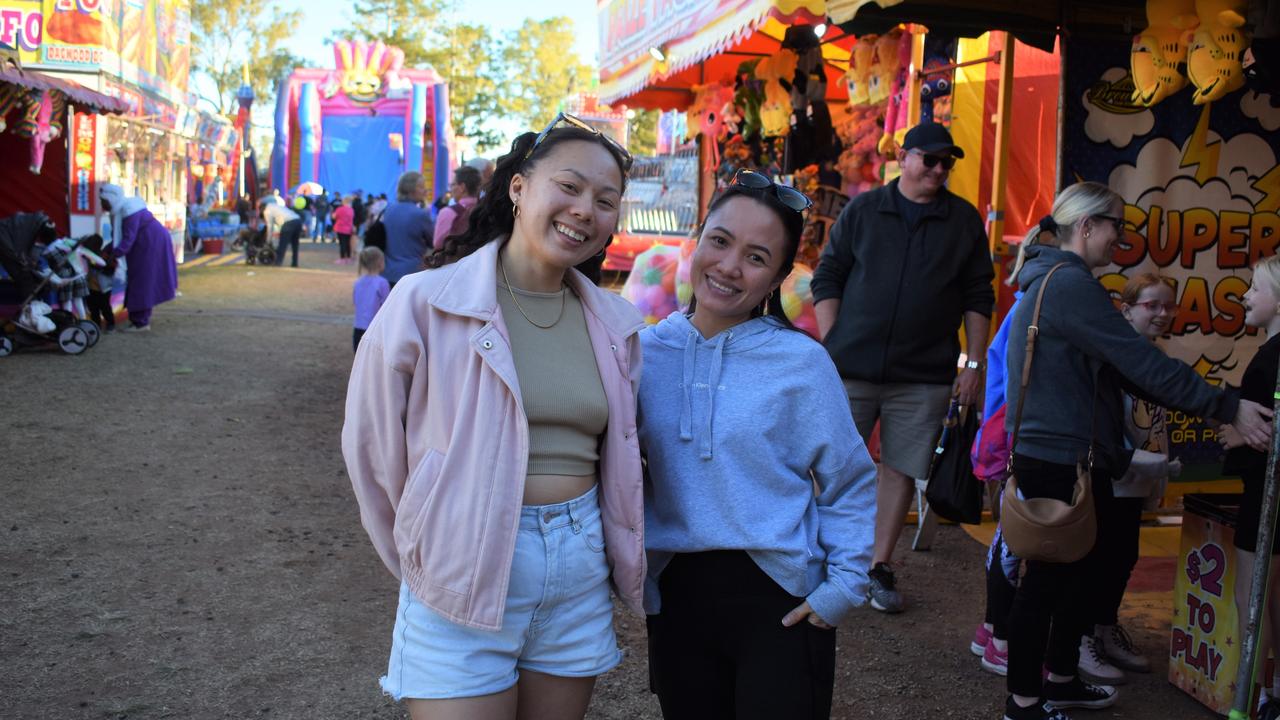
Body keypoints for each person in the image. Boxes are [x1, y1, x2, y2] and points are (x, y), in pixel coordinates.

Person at [343, 113, 641, 720]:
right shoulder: (425, 303)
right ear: (518, 188)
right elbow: (371, 450)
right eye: (570, 186)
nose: (585, 209)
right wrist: (427, 547)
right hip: (461, 567)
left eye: (605, 200)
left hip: (579, 574)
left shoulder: (615, 324)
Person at [1000, 181, 1272, 720]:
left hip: (1072, 452)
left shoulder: (1060, 282)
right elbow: (1142, 364)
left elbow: (1130, 372)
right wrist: (1226, 407)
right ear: (1087, 227)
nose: (1120, 240)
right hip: (1059, 455)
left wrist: (1220, 404)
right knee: (1048, 581)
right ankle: (1024, 702)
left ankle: (1057, 680)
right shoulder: (1070, 285)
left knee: (1077, 575)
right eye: (1116, 227)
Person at [640, 170, 877, 719]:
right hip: (676, 599)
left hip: (781, 599)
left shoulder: (802, 363)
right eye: (719, 241)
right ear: (696, 241)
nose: (727, 267)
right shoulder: (643, 354)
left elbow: (850, 478)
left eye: (755, 256)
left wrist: (843, 587)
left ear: (776, 278)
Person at [810, 121, 995, 613]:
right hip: (850, 367)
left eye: (946, 163)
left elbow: (980, 294)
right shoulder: (865, 210)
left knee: (899, 470)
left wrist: (974, 363)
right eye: (930, 159)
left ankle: (878, 566)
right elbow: (828, 275)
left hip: (924, 375)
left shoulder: (963, 220)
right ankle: (818, 557)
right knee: (829, 464)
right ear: (903, 156)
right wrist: (832, 341)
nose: (938, 170)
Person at [1074, 273, 1183, 687]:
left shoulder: (1153, 359)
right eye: (1151, 305)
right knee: (1099, 558)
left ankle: (1104, 627)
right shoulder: (1116, 360)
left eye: (1167, 306)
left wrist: (1158, 479)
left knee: (1123, 558)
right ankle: (1081, 636)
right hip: (1112, 477)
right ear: (1127, 309)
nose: (1161, 313)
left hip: (1139, 481)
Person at [1221, 255, 1280, 719]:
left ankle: (1253, 697)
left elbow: (1262, 438)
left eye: (1255, 288)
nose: (1245, 296)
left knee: (1253, 600)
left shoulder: (1269, 359)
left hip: (1265, 500)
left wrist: (1236, 433)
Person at [99, 184, 179, 332]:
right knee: (141, 280)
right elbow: (121, 238)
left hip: (149, 244)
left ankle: (141, 322)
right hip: (146, 243)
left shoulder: (129, 210)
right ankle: (139, 319)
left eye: (103, 201)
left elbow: (127, 238)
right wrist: (109, 250)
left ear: (111, 199)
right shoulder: (122, 209)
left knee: (142, 281)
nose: (102, 205)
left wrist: (113, 255)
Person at [380, 171, 434, 286]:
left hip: (387, 270)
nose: (425, 190)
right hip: (412, 272)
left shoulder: (388, 209)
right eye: (421, 186)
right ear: (411, 189)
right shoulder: (420, 214)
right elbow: (433, 241)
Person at [433, 165, 481, 250]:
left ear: (462, 187)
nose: (451, 189)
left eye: (452, 184)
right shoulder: (486, 209)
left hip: (456, 261)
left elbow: (438, 244)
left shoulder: (448, 212)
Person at [351, 246, 389, 352]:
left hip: (358, 328)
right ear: (380, 262)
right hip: (374, 329)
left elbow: (355, 302)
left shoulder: (357, 282)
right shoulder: (382, 283)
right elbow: (387, 306)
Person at [262, 198, 303, 268]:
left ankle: (278, 262)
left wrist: (268, 241)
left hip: (288, 222)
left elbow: (270, 227)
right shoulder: (275, 206)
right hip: (297, 220)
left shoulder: (267, 211)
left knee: (282, 244)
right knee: (295, 244)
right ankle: (294, 262)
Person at [333, 196, 356, 264]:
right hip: (349, 229)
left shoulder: (340, 209)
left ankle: (342, 258)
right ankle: (348, 258)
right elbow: (352, 219)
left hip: (340, 228)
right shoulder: (351, 210)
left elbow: (334, 216)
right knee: (348, 244)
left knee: (342, 244)